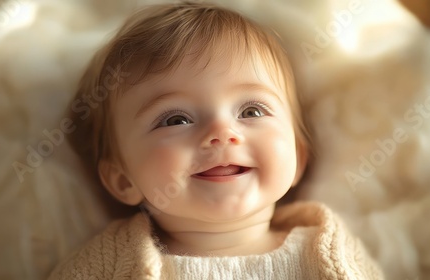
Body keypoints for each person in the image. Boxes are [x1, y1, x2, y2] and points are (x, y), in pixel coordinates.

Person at [49, 1, 384, 279]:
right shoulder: (106, 266)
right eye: (175, 119)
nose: (222, 133)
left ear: (297, 156)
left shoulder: (329, 254)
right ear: (124, 180)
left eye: (252, 111)